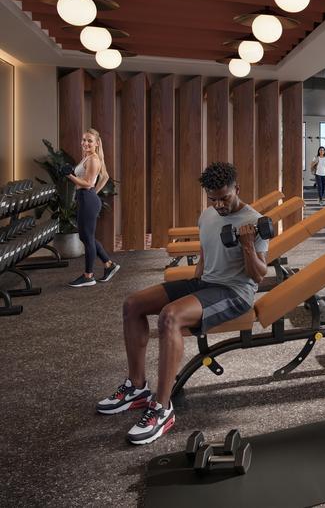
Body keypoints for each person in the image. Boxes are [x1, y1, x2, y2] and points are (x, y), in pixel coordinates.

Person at [96, 162, 268, 445]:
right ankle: (137, 387)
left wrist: (248, 245)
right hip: (206, 283)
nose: (219, 205)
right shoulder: (207, 216)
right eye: (213, 199)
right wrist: (195, 279)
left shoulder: (254, 220)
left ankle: (163, 408)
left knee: (170, 317)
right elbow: (204, 249)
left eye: (224, 198)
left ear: (237, 189)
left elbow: (259, 276)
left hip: (235, 292)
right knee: (132, 304)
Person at [66, 128, 119, 287]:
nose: (86, 143)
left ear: (97, 143)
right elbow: (105, 177)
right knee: (86, 236)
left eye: (89, 140)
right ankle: (109, 265)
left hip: (87, 198)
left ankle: (88, 276)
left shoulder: (93, 159)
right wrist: (93, 193)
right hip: (86, 198)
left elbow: (88, 183)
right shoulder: (87, 157)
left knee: (87, 237)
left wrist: (70, 175)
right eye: (84, 140)